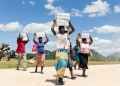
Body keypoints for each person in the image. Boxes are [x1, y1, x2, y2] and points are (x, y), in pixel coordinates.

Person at [51, 19, 75, 85]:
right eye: (61, 28)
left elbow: (73, 30)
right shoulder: (57, 35)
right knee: (61, 64)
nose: (63, 29)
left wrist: (70, 22)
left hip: (65, 51)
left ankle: (60, 78)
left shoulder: (66, 34)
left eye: (63, 28)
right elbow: (52, 29)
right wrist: (54, 23)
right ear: (59, 29)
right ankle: (60, 78)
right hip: (59, 51)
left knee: (64, 64)